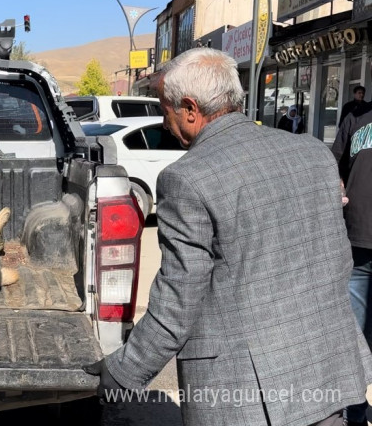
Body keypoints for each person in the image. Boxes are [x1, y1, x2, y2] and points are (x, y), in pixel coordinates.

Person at [84, 48, 372, 426]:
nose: (165, 121)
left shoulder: (187, 178)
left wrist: (123, 372)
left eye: (164, 109)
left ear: (190, 109)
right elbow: (338, 263)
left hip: (248, 401)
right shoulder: (314, 153)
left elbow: (177, 302)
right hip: (329, 378)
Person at [332, 102, 372, 426]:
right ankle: (354, 415)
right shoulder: (354, 117)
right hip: (357, 240)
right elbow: (335, 165)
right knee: (354, 339)